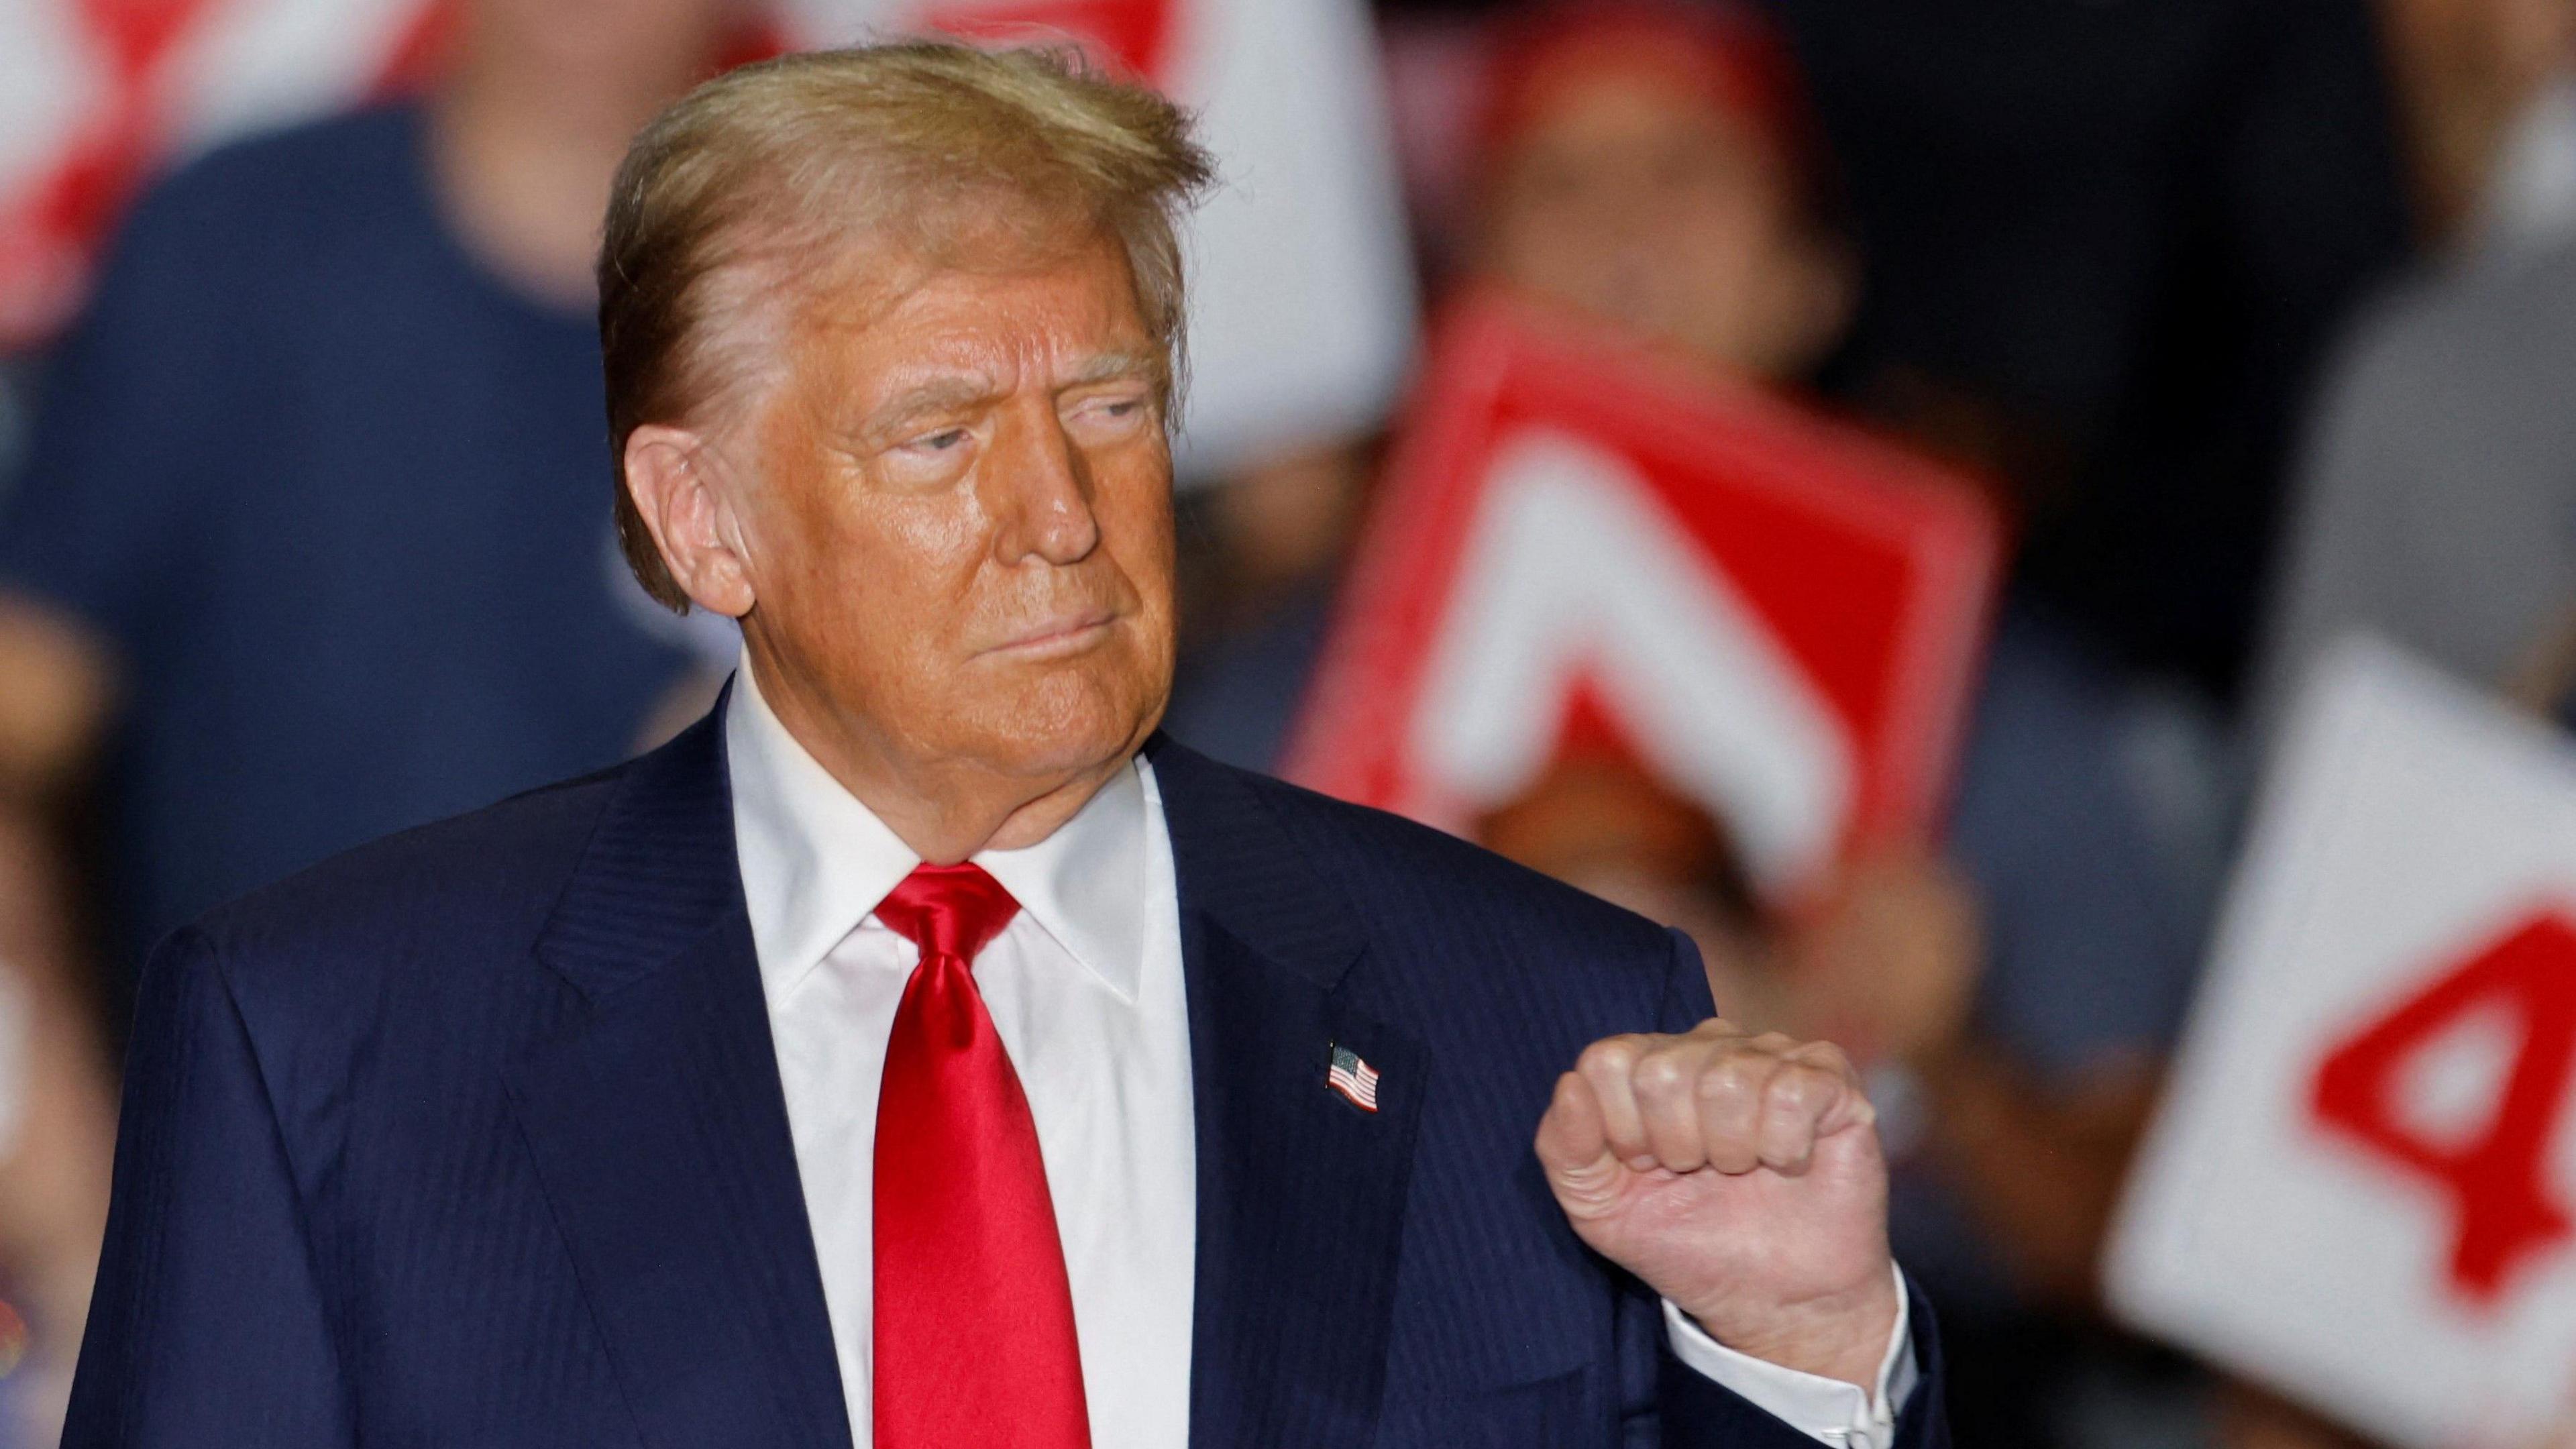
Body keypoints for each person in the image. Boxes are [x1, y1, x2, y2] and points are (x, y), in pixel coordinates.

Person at [64, 42, 1949, 1449]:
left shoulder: (1546, 1021)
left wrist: (1791, 1365)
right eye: (943, 433)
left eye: (1114, 404)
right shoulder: (328, 1053)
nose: (1062, 512)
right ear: (705, 518)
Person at [0, 0, 745, 994]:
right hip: (251, 1108)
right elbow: (25, 701)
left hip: (680, 1110)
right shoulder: (234, 245)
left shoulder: (855, 304)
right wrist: (31, 1067)